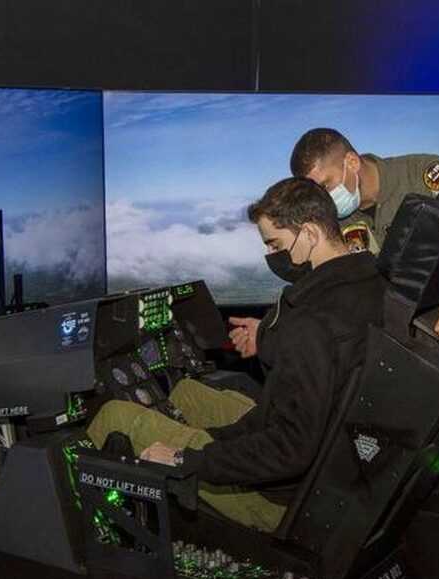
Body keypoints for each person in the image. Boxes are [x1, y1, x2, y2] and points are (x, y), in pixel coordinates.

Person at [84, 178, 385, 533]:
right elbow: (293, 406)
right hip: (338, 465)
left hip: (285, 499)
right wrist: (218, 439)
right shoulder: (371, 283)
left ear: (310, 232)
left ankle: (90, 539)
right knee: (185, 393)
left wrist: (187, 459)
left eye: (275, 244)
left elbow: (290, 448)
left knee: (116, 414)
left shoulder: (310, 323)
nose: (271, 256)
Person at [229, 128, 439, 459]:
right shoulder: (335, 222)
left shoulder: (424, 176)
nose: (324, 198)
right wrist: (272, 329)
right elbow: (324, 289)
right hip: (390, 337)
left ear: (352, 162)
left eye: (326, 184)